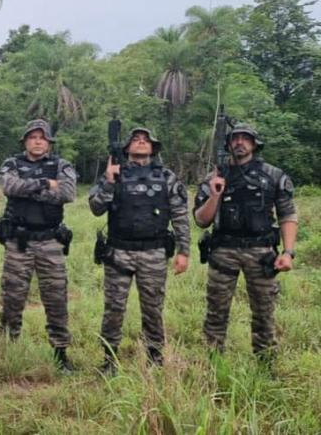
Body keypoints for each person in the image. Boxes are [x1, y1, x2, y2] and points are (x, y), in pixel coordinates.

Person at [88, 127, 190, 373]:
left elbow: (179, 215)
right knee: (114, 307)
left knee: (153, 307)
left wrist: (184, 251)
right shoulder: (114, 173)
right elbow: (95, 207)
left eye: (146, 140)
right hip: (118, 252)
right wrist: (110, 182)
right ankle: (109, 360)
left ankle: (155, 358)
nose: (141, 142)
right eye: (136, 139)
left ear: (153, 148)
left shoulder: (166, 177)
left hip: (153, 252)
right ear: (126, 148)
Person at [194, 123, 297, 362]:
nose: (239, 142)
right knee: (216, 313)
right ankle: (213, 363)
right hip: (223, 251)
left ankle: (265, 364)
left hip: (261, 252)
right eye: (235, 138)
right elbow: (201, 220)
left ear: (254, 143)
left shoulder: (273, 175)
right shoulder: (215, 176)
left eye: (245, 138)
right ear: (228, 143)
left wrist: (288, 252)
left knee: (264, 313)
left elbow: (287, 215)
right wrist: (214, 195)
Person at [0, 119, 76, 372]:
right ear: (25, 141)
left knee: (56, 299)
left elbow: (68, 193)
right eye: (33, 137)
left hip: (50, 241)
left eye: (42, 137)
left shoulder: (61, 165)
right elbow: (9, 186)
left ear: (49, 142)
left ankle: (60, 353)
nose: (37, 141)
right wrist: (44, 184)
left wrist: (28, 189)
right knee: (12, 297)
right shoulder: (12, 164)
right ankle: (8, 348)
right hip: (19, 241)